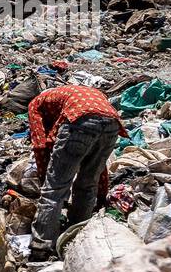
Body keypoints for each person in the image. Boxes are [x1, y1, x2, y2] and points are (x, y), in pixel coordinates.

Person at [26, 84, 124, 260]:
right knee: (87, 185)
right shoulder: (78, 93)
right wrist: (101, 194)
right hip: (112, 123)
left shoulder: (36, 104)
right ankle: (76, 238)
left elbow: (40, 144)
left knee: (54, 190)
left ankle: (41, 248)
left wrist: (44, 178)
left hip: (79, 122)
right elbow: (99, 169)